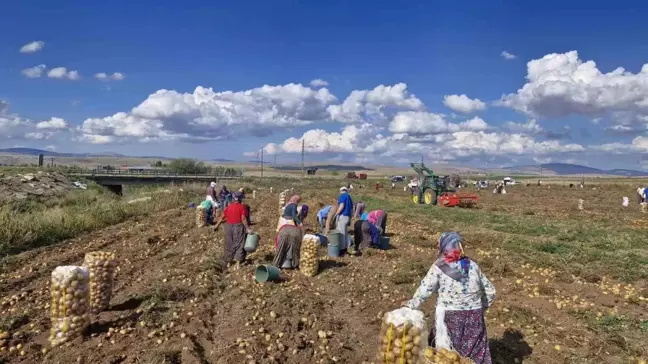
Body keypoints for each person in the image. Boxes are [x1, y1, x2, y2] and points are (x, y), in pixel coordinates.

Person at [406, 232, 496, 364]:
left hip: (450, 317)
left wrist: (410, 305)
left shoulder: (439, 266)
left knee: (446, 355)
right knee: (473, 355)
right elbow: (491, 292)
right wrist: (478, 309)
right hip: (474, 317)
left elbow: (425, 289)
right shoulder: (472, 265)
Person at [213, 192, 250, 269]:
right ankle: (238, 263)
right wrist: (247, 228)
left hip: (229, 227)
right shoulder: (242, 207)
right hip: (238, 226)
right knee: (239, 243)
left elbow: (222, 217)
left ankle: (229, 262)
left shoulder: (228, 207)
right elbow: (243, 218)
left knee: (229, 243)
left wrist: (216, 226)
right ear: (240, 199)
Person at [335, 187, 353, 251]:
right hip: (347, 217)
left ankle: (342, 249)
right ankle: (346, 246)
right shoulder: (349, 197)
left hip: (343, 216)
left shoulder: (342, 196)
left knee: (341, 233)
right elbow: (351, 209)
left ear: (341, 191)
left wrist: (336, 214)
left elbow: (341, 206)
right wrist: (350, 218)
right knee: (345, 232)